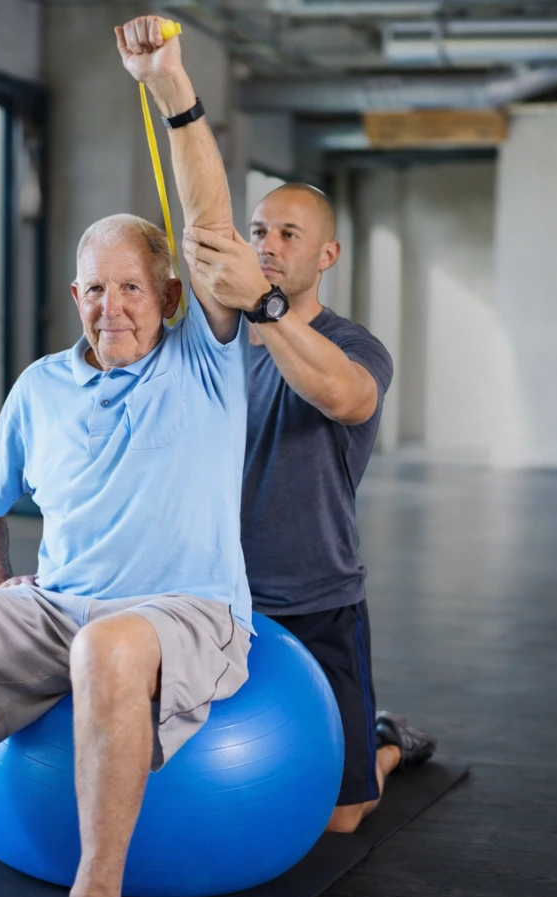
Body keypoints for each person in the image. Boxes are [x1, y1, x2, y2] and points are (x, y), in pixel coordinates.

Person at [0, 18, 250, 897]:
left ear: (171, 293)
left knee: (105, 647)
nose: (112, 307)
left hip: (185, 612)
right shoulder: (42, 386)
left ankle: (94, 890)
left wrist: (170, 86)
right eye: (95, 289)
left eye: (132, 286)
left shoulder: (204, 360)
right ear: (75, 295)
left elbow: (211, 226)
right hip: (61, 608)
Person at [181, 183, 437, 835]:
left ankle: (388, 745)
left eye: (289, 234)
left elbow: (343, 398)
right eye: (260, 230)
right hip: (217, 597)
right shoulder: (220, 348)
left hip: (315, 596)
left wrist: (264, 307)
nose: (268, 244)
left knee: (344, 817)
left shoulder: (356, 346)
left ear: (328, 254)